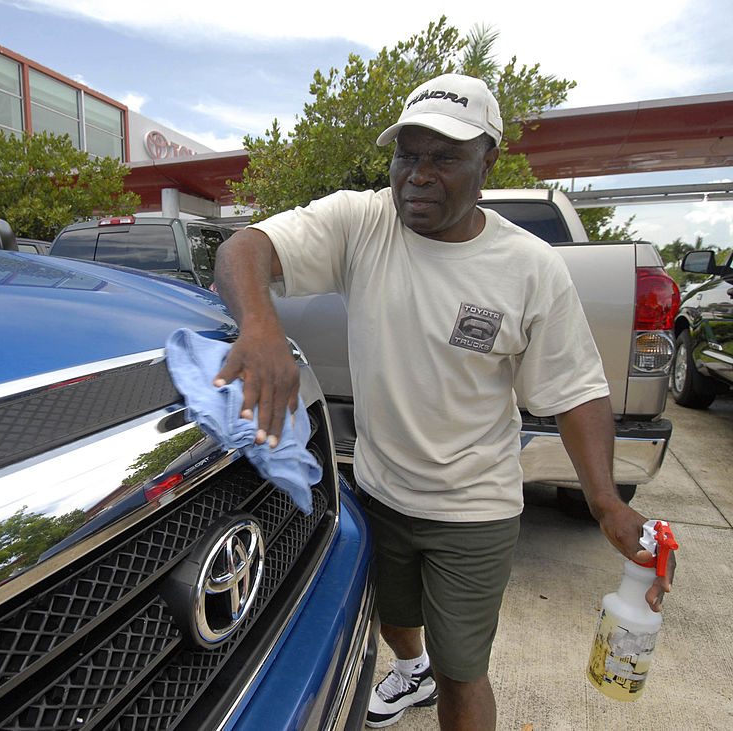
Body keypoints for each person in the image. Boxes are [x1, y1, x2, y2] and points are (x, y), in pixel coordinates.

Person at [210, 73, 674, 729]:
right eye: (408, 154)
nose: (417, 176)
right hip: (377, 489)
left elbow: (576, 390)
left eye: (445, 157)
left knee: (463, 670)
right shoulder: (364, 221)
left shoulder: (530, 267)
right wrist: (262, 328)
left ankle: (437, 675)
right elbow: (243, 249)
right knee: (394, 618)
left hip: (474, 509)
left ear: (487, 163)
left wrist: (606, 501)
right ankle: (411, 670)